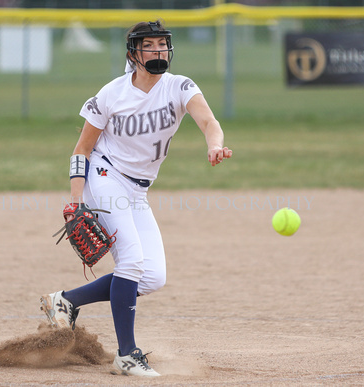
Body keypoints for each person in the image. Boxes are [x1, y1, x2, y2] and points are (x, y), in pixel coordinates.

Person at [40, 20, 232, 377]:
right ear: (133, 53)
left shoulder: (179, 87)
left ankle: (66, 300)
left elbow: (208, 122)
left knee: (152, 277)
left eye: (162, 44)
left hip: (137, 190)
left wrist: (215, 146)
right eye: (150, 45)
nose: (158, 51)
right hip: (105, 176)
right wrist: (76, 200)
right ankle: (127, 355)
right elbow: (82, 149)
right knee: (130, 260)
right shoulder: (111, 94)